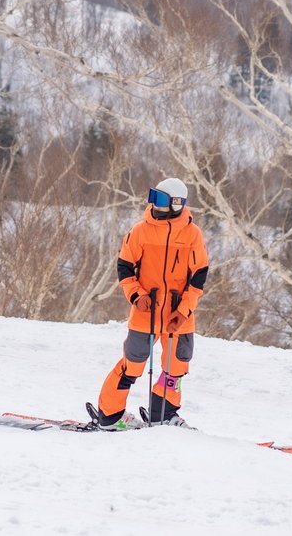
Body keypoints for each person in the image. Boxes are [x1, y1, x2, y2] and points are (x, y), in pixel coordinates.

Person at [91, 177, 209, 431]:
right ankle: (110, 416)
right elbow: (124, 267)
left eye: (162, 200)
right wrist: (136, 295)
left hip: (178, 314)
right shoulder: (140, 230)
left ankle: (164, 414)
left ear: (177, 204)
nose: (155, 205)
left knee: (175, 368)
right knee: (132, 365)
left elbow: (199, 277)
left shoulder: (192, 234)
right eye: (154, 197)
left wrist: (184, 310)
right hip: (146, 310)